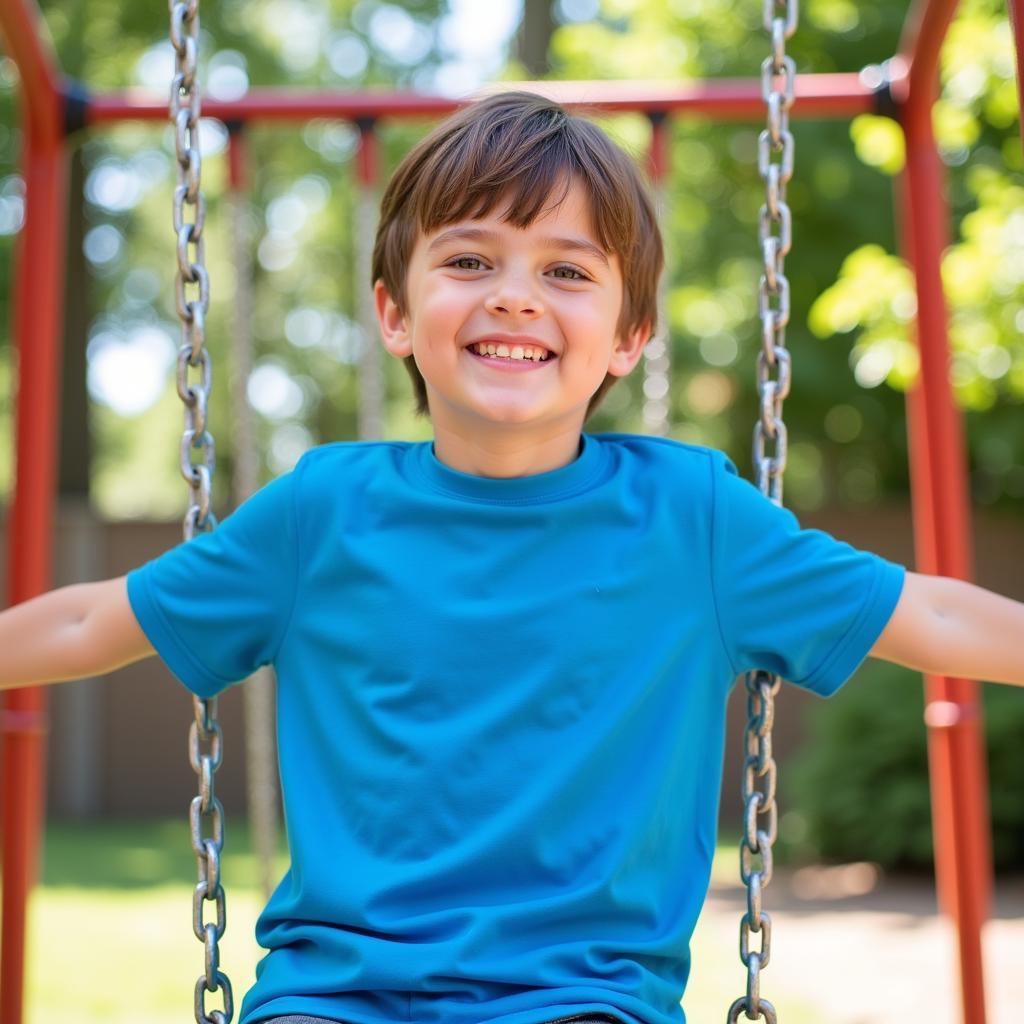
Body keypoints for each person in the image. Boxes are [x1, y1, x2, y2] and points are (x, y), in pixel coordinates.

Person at [1, 90, 1022, 1024]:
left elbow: (923, 615)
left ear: (628, 335)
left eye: (567, 271)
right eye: (470, 261)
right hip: (336, 992)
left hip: (583, 994)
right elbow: (99, 619)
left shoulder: (693, 516)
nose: (516, 297)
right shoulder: (322, 512)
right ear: (395, 311)